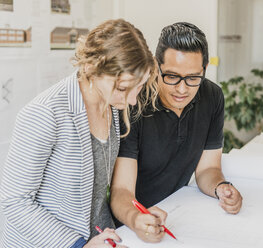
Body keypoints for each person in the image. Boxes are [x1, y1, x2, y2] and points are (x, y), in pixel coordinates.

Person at [0, 19, 157, 247]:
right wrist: (78, 244)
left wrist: (135, 219)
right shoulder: (45, 112)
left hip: (98, 237)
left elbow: (93, 194)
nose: (131, 100)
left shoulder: (110, 104)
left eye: (139, 87)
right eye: (123, 88)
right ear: (92, 68)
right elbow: (15, 202)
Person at [110, 22, 243, 243]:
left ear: (205, 69)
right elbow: (121, 189)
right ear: (155, 65)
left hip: (179, 211)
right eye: (171, 76)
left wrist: (221, 188)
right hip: (131, 225)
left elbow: (208, 168)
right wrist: (136, 218)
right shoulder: (134, 102)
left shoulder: (212, 96)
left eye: (193, 78)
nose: (182, 90)